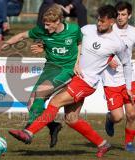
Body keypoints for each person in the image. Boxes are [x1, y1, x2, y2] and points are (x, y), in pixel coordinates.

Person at [8, 5, 133, 158]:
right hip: (74, 77)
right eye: (98, 20)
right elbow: (68, 41)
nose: (99, 24)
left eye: (102, 22)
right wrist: (44, 46)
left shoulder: (117, 43)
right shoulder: (87, 29)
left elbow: (126, 64)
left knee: (55, 101)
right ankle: (103, 144)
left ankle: (28, 132)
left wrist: (127, 86)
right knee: (71, 119)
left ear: (112, 21)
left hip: (86, 82)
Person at [0, 4, 82, 148]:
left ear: (58, 21)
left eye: (48, 25)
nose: (45, 28)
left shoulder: (74, 29)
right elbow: (21, 36)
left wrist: (77, 63)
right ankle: (53, 126)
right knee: (31, 104)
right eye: (44, 24)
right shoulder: (42, 31)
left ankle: (28, 130)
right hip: (50, 68)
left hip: (66, 69)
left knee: (40, 92)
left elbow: (79, 44)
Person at [101, 1, 135, 152]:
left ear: (130, 15)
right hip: (111, 79)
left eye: (123, 14)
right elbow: (96, 50)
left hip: (129, 78)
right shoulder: (107, 30)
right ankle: (110, 118)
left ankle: (128, 143)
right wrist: (108, 60)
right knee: (118, 117)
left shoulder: (133, 32)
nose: (120, 17)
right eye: (118, 14)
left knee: (132, 114)